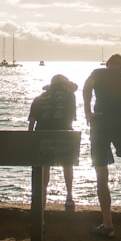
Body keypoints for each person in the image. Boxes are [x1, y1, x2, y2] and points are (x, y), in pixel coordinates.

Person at [83, 53, 121, 239]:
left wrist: (88, 111)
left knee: (101, 171)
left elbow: (86, 88)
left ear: (108, 64)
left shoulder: (98, 72)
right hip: (120, 124)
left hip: (101, 123)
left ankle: (108, 224)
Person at [27, 73, 78, 212]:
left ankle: (42, 198)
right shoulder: (69, 97)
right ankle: (69, 196)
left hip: (41, 139)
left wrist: (31, 143)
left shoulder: (38, 98)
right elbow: (71, 119)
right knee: (68, 164)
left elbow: (31, 125)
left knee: (44, 167)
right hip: (64, 137)